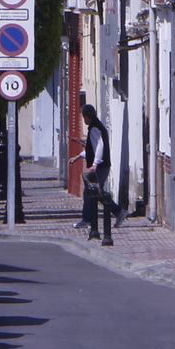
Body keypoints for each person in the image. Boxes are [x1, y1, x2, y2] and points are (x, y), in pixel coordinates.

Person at [70, 103, 113, 245]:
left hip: (100, 166)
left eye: (84, 117)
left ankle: (91, 220)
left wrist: (95, 164)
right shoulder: (97, 126)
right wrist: (78, 157)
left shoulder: (94, 128)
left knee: (93, 192)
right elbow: (91, 149)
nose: (83, 120)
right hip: (101, 164)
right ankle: (89, 219)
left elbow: (98, 146)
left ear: (88, 116)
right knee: (93, 192)